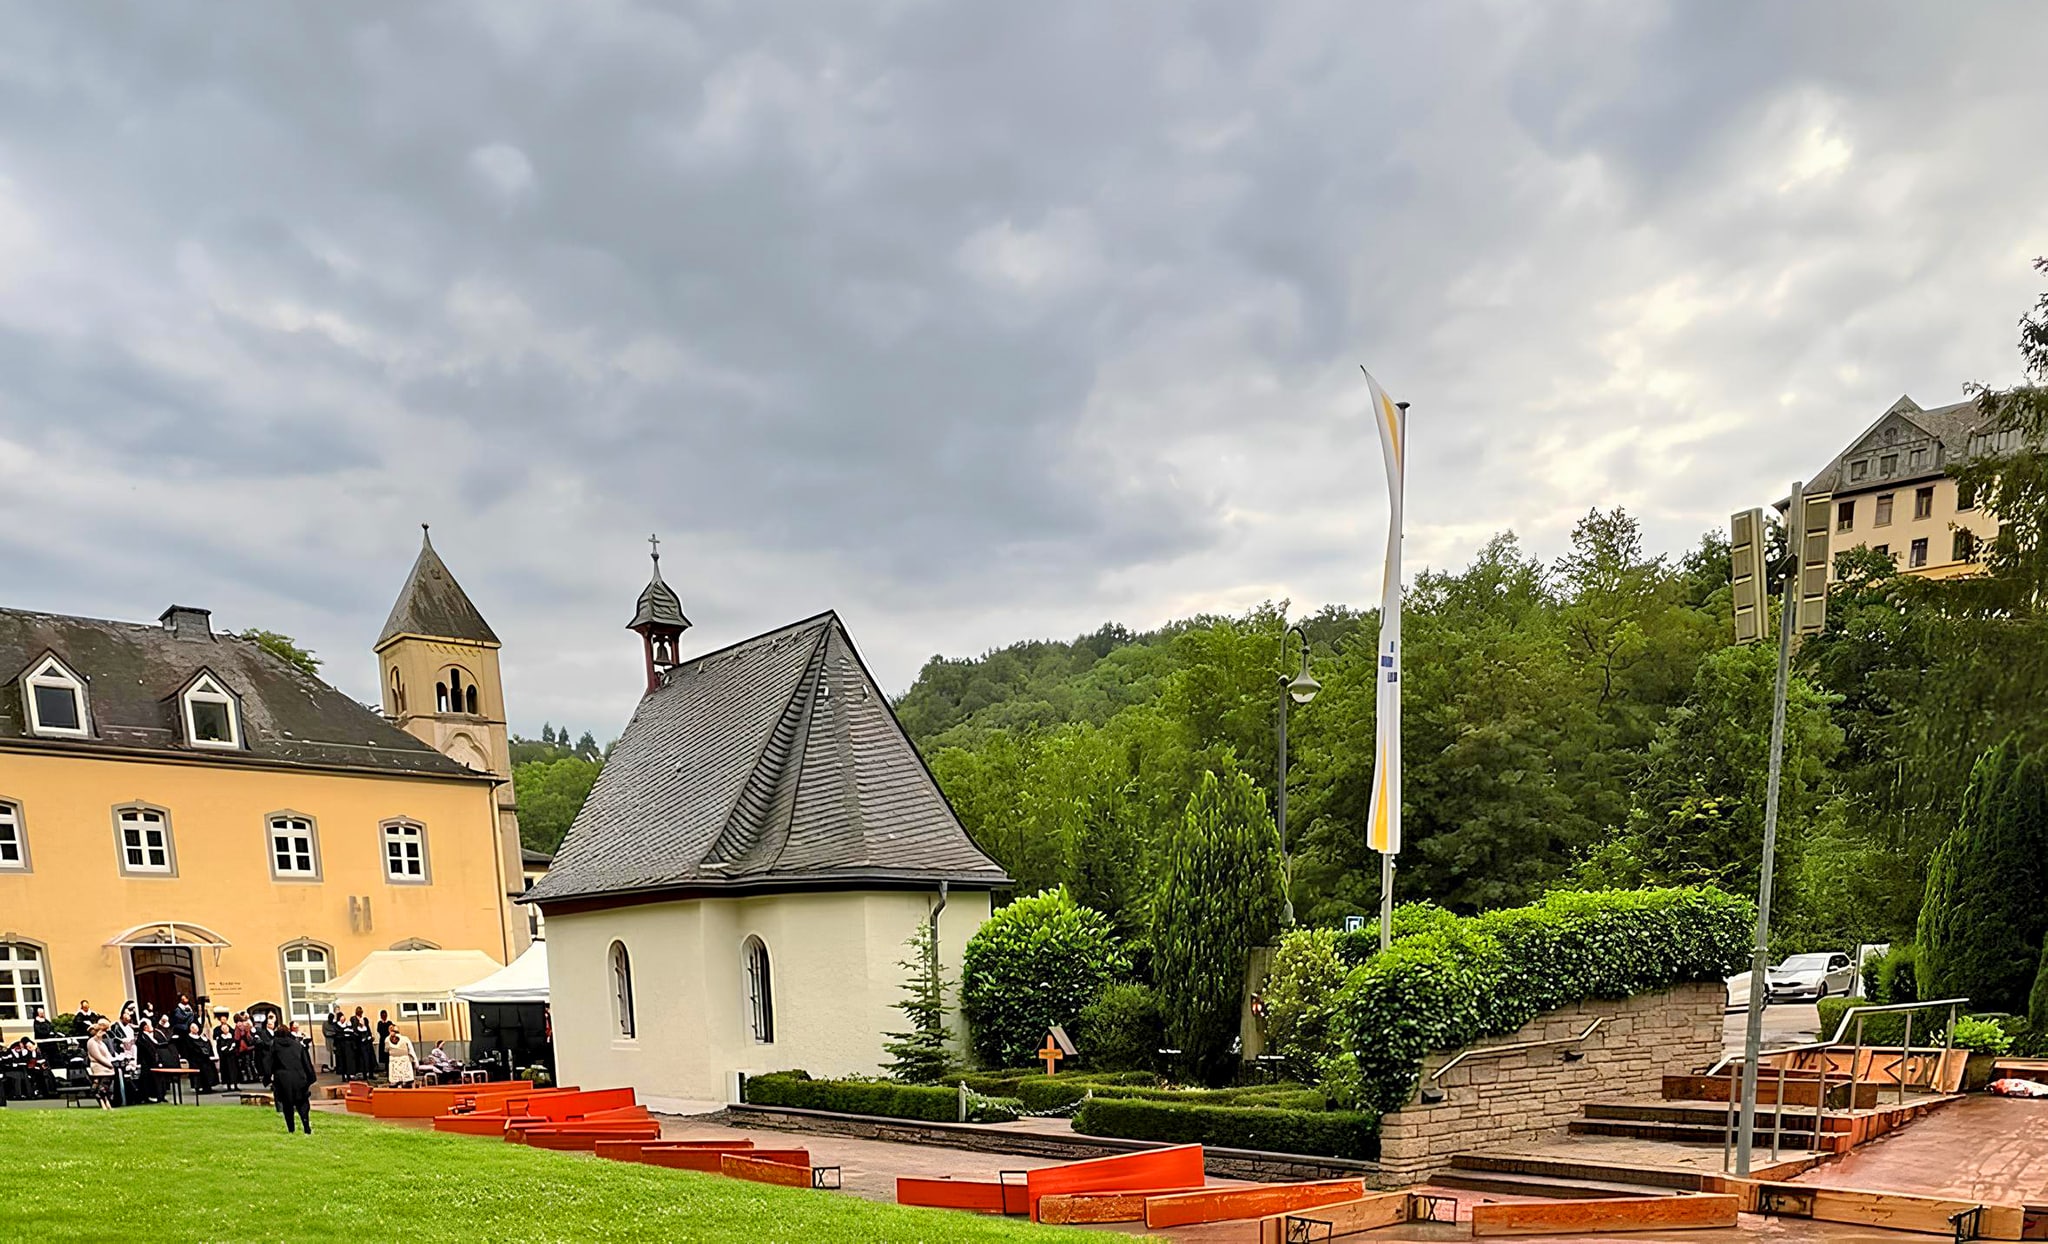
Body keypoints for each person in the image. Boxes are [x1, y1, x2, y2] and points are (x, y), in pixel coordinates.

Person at [270, 1022, 317, 1134]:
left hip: (283, 1079)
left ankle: (291, 1129)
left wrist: (268, 1077)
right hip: (299, 1077)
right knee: (302, 1103)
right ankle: (306, 1125)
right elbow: (306, 1063)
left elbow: (270, 1063)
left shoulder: (274, 1046)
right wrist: (311, 1078)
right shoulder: (297, 1046)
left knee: (287, 1105)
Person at [176, 1020, 216, 1093]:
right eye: (193, 1027)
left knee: (207, 1072)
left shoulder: (202, 1037)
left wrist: (208, 1053)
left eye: (196, 1027)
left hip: (205, 1059)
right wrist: (200, 1052)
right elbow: (189, 1048)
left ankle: (207, 1087)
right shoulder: (188, 1038)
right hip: (195, 1059)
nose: (195, 1029)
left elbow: (207, 1045)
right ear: (190, 1029)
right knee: (197, 1074)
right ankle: (198, 1088)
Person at [85, 1023, 117, 1109]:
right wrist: (110, 1064)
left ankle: (107, 1103)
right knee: (101, 1087)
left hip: (107, 1068)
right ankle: (103, 1103)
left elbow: (107, 1055)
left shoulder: (101, 1043)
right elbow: (98, 1056)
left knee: (106, 1087)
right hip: (99, 1068)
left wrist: (114, 1060)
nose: (104, 1033)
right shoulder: (91, 1042)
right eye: (102, 1031)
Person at [212, 1013, 240, 1092]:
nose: (225, 1030)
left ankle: (235, 1085)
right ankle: (228, 1086)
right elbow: (219, 1047)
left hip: (233, 1057)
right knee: (226, 1071)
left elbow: (235, 1044)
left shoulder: (232, 1033)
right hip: (224, 1057)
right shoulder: (219, 1034)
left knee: (234, 1071)